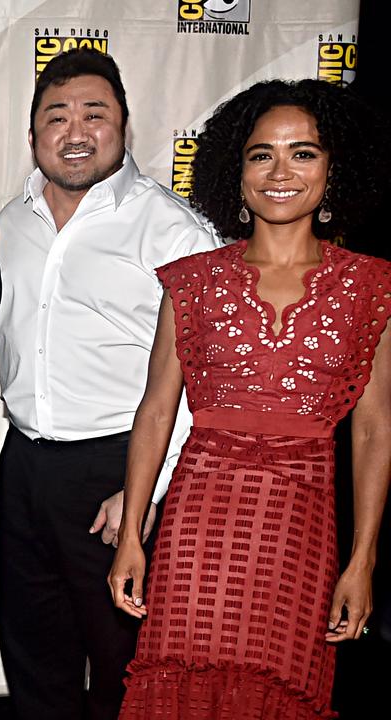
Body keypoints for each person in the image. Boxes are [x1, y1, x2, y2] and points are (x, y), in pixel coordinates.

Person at [109, 79, 391, 720]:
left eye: (304, 153)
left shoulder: (370, 285)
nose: (281, 171)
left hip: (301, 526)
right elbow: (157, 410)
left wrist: (363, 559)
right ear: (235, 175)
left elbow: (374, 430)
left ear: (332, 169)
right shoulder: (191, 281)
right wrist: (132, 533)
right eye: (261, 154)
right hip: (197, 526)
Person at [0, 48, 219, 720]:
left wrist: (145, 487)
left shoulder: (171, 229)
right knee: (36, 659)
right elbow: (5, 344)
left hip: (120, 466)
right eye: (56, 116)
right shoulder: (11, 221)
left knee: (127, 666)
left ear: (124, 124)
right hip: (26, 462)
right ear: (34, 134)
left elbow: (207, 377)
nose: (76, 130)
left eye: (95, 113)